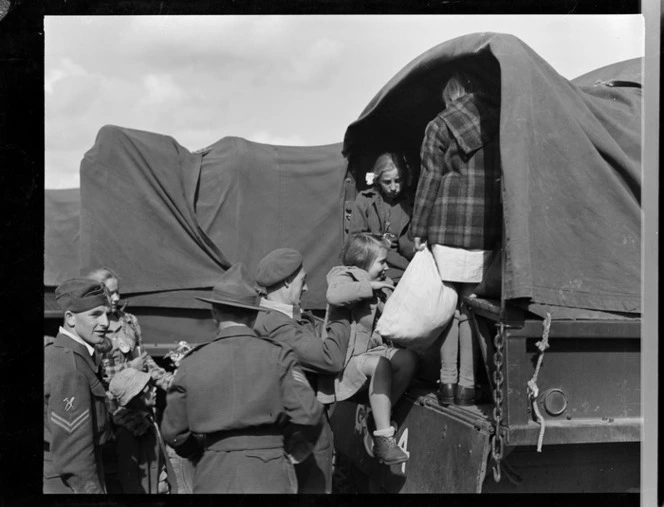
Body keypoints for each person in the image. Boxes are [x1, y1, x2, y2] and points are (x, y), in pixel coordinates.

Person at [161, 263, 324, 493]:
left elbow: (172, 431)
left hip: (214, 472)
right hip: (270, 473)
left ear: (214, 312)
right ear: (254, 314)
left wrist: (199, 453)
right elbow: (309, 415)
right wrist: (288, 448)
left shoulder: (192, 362)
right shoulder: (278, 356)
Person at [411, 70, 502, 406]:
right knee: (472, 308)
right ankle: (469, 386)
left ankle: (447, 385)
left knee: (449, 309)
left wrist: (418, 229)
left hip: (447, 226)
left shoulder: (438, 125)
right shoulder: (499, 120)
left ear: (451, 95)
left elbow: (429, 181)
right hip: (486, 228)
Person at [253, 248, 352, 493]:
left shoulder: (278, 319)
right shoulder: (275, 325)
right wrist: (341, 310)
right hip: (302, 436)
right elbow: (331, 359)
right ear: (287, 282)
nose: (306, 288)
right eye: (302, 281)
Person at [318, 233, 418, 466]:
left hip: (372, 352)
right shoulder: (342, 275)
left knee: (408, 359)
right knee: (381, 364)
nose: (386, 267)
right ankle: (384, 439)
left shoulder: (381, 286)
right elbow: (334, 295)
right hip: (348, 359)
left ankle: (377, 417)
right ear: (362, 262)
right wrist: (369, 286)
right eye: (381, 262)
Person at [44, 278, 112, 494]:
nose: (106, 323)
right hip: (71, 486)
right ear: (70, 318)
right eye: (95, 315)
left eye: (106, 314)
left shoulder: (68, 355)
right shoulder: (71, 367)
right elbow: (75, 456)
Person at [86, 267, 174, 392]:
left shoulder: (129, 321)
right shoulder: (89, 327)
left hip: (135, 399)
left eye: (117, 292)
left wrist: (167, 381)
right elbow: (94, 373)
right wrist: (130, 367)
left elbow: (144, 360)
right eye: (111, 293)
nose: (116, 298)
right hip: (108, 403)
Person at [348, 152, 415, 283]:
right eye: (387, 182)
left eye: (398, 180)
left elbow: (413, 246)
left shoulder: (413, 202)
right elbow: (357, 243)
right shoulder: (365, 201)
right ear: (378, 180)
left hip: (407, 269)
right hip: (372, 268)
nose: (394, 187)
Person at [108, 368, 177, 494]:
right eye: (148, 388)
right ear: (136, 397)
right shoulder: (128, 432)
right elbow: (129, 478)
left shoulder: (148, 421)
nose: (154, 389)